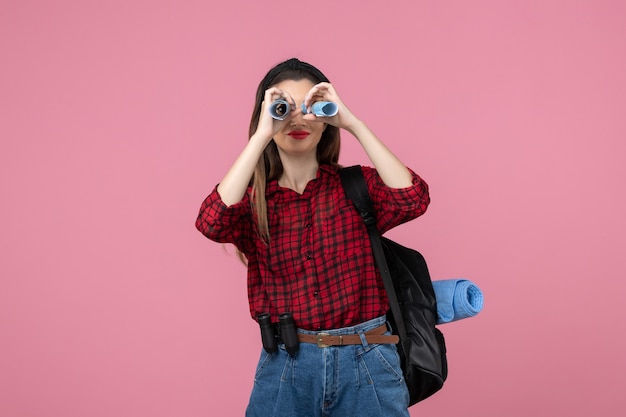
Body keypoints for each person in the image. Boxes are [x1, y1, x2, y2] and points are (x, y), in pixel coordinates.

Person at [195, 58, 430, 417]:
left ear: (326, 119)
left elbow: (412, 198)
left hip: (367, 359)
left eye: (310, 107)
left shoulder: (356, 187)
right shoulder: (255, 204)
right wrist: (261, 135)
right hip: (287, 364)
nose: (297, 119)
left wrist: (353, 123)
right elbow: (211, 221)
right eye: (283, 108)